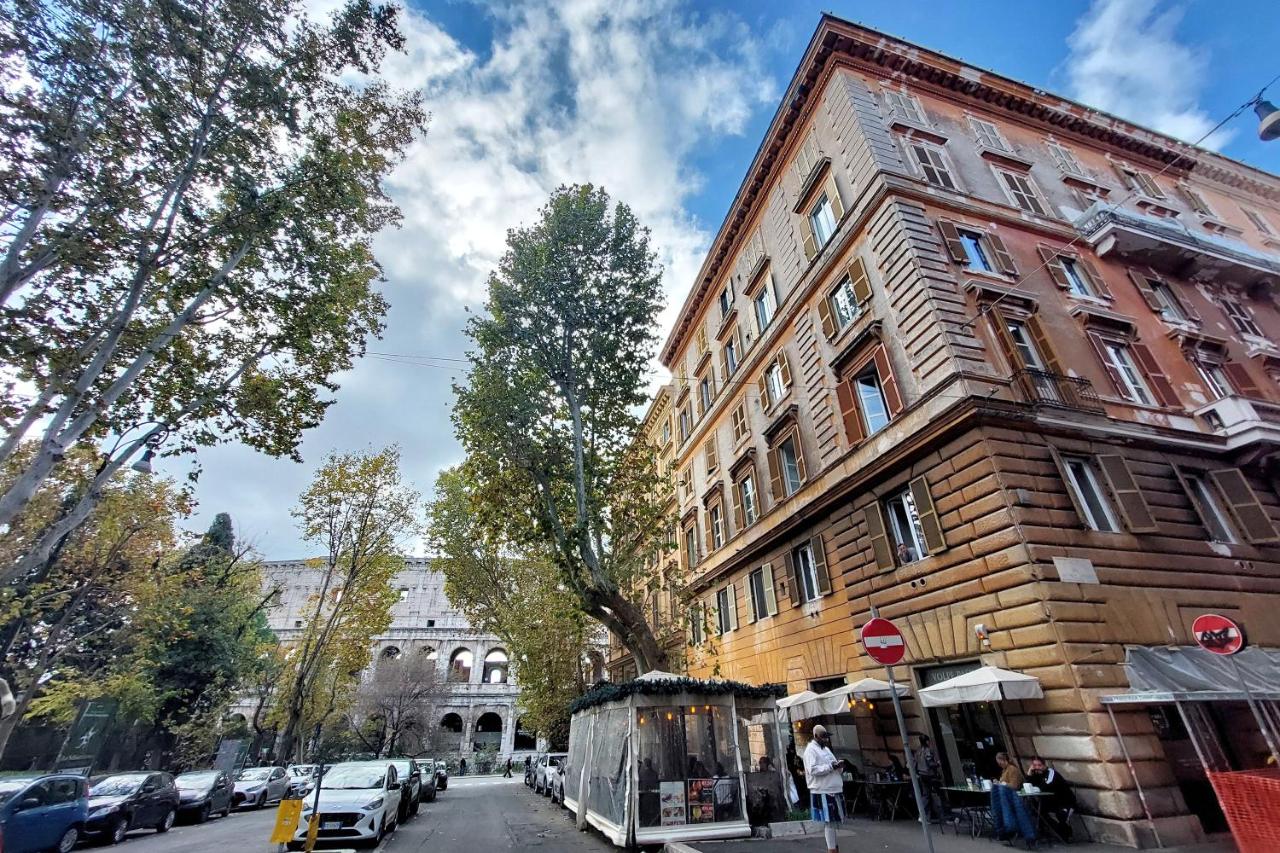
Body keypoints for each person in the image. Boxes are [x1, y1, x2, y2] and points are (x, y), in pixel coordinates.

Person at [803, 725, 848, 853]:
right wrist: (831, 767)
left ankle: (834, 847)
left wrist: (839, 766)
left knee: (834, 821)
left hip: (834, 788)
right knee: (829, 821)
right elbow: (812, 770)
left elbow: (833, 764)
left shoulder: (826, 749)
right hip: (823, 789)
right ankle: (831, 849)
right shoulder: (810, 750)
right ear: (816, 736)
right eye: (823, 737)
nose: (826, 740)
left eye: (826, 737)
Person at [990, 752, 1036, 847]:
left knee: (1012, 813)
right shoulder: (1005, 770)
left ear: (1004, 760)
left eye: (1000, 762)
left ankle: (1009, 831)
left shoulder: (1012, 769)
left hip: (1014, 796)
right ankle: (1004, 831)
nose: (999, 765)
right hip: (1007, 796)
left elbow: (1014, 785)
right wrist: (998, 783)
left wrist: (1002, 784)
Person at [1027, 756, 1076, 841]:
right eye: (1035, 765)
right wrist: (1029, 774)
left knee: (1061, 816)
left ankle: (1066, 835)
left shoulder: (1051, 773)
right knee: (1036, 810)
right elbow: (1027, 785)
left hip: (1065, 802)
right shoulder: (1036, 774)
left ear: (1044, 765)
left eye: (1039, 765)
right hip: (1051, 802)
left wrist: (1036, 787)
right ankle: (1048, 833)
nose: (1037, 767)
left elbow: (1046, 786)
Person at [913, 734, 941, 819]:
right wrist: (937, 764)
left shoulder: (918, 750)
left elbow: (915, 762)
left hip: (921, 774)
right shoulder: (928, 750)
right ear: (927, 741)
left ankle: (924, 814)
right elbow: (930, 763)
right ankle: (927, 814)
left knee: (926, 794)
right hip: (929, 774)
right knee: (937, 793)